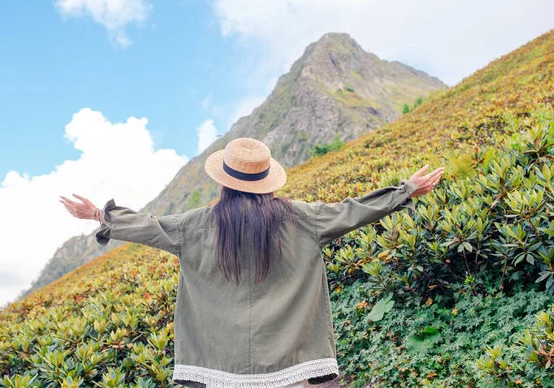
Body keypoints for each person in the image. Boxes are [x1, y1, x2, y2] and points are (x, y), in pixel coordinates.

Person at [60, 137, 444, 388]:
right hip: (296, 369)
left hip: (216, 370)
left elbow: (146, 226)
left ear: (224, 181)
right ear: (268, 180)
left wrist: (98, 213)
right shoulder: (303, 218)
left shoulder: (193, 226)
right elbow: (353, 211)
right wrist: (406, 190)